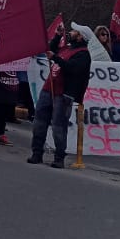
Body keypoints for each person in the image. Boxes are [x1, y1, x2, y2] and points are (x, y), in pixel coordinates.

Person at [29, 25, 90, 168]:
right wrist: (57, 36)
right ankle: (37, 153)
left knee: (58, 126)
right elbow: (52, 48)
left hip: (63, 94)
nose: (71, 32)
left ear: (80, 36)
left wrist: (55, 58)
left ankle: (59, 157)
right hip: (48, 89)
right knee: (39, 122)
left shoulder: (83, 54)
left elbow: (72, 68)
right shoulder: (67, 48)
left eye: (74, 31)